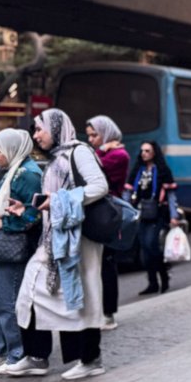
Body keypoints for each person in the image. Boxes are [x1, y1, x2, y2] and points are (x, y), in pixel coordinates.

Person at [3, 109, 108, 379]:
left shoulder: (78, 152)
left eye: (40, 129)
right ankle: (37, 356)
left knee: (82, 298)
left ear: (56, 127)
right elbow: (52, 198)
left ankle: (91, 359)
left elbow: (99, 186)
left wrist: (60, 201)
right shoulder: (55, 158)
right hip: (52, 239)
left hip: (78, 239)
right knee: (29, 294)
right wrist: (28, 207)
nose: (36, 136)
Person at [0, 129, 42, 369]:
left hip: (10, 245)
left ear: (12, 149)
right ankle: (3, 346)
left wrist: (6, 223)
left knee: (7, 302)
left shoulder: (28, 175)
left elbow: (34, 215)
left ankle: (17, 353)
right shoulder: (12, 171)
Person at [85, 115, 129, 330]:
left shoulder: (119, 155)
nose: (91, 139)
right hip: (95, 213)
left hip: (107, 215)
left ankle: (108, 313)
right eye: (89, 135)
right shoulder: (106, 152)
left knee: (106, 266)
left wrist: (101, 150)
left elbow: (94, 168)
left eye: (95, 135)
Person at [126, 140, 180, 295]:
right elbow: (128, 192)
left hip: (158, 213)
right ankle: (152, 283)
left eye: (147, 151)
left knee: (152, 245)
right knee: (144, 248)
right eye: (142, 150)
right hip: (142, 213)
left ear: (154, 152)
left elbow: (171, 195)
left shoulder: (163, 170)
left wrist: (174, 216)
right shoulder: (137, 170)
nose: (144, 153)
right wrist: (125, 210)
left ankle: (164, 277)